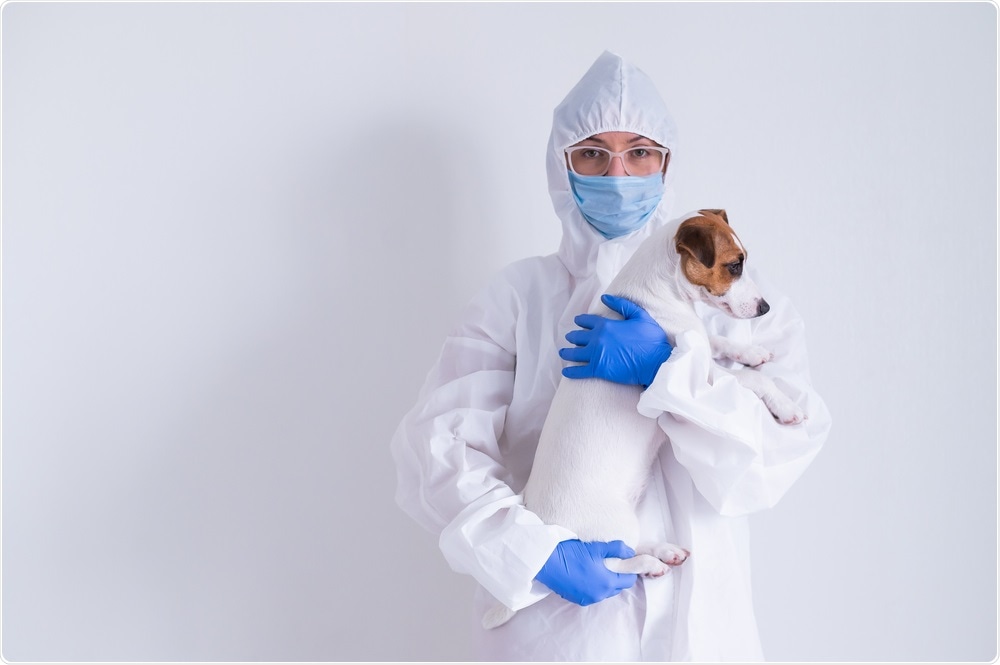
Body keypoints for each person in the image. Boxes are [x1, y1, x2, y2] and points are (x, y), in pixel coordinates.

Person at [390, 51, 831, 662]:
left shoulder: (745, 304)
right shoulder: (516, 298)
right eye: (593, 153)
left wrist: (670, 372)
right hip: (554, 629)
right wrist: (534, 553)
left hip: (701, 628)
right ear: (561, 165)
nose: (618, 173)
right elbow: (439, 453)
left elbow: (773, 457)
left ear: (667, 163)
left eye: (640, 152)